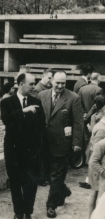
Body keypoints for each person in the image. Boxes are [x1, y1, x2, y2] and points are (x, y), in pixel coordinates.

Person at [38, 71, 83, 218]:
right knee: (47, 174)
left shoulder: (73, 98)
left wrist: (77, 143)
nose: (60, 86)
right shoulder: (42, 95)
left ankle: (51, 205)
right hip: (44, 143)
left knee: (57, 175)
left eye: (63, 83)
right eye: (57, 83)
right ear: (51, 81)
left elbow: (78, 122)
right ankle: (63, 191)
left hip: (62, 144)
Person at [0, 73, 45, 219]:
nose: (33, 87)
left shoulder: (36, 102)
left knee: (31, 183)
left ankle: (28, 212)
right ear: (20, 84)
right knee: (15, 182)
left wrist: (38, 149)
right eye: (31, 84)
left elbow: (41, 127)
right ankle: (18, 212)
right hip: (13, 150)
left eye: (34, 84)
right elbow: (7, 120)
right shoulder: (7, 102)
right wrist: (23, 111)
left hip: (31, 151)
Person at [80, 96, 105, 190]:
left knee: (93, 160)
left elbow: (93, 129)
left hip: (95, 142)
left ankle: (89, 181)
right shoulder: (102, 115)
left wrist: (89, 127)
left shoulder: (95, 116)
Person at [88, 137, 105, 219]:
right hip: (104, 182)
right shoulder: (101, 144)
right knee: (102, 206)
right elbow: (93, 161)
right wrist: (103, 172)